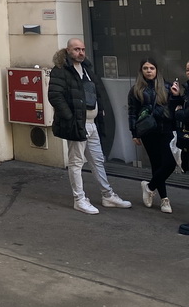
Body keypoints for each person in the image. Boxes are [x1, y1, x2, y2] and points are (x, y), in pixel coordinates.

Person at [48, 37, 131, 214]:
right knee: (76, 162)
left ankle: (107, 195)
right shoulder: (60, 70)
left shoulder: (86, 68)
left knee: (97, 159)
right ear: (68, 50)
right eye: (77, 49)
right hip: (77, 124)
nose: (81, 52)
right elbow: (55, 96)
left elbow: (96, 91)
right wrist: (71, 118)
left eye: (83, 49)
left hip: (92, 124)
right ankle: (79, 199)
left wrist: (100, 111)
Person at [127, 57, 181, 213]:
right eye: (145, 68)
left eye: (151, 68)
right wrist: (134, 132)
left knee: (170, 163)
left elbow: (175, 108)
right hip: (148, 131)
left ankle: (149, 187)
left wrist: (176, 96)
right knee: (156, 164)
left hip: (166, 130)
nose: (148, 71)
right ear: (141, 71)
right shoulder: (136, 89)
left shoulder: (167, 86)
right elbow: (132, 113)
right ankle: (164, 199)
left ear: (157, 70)